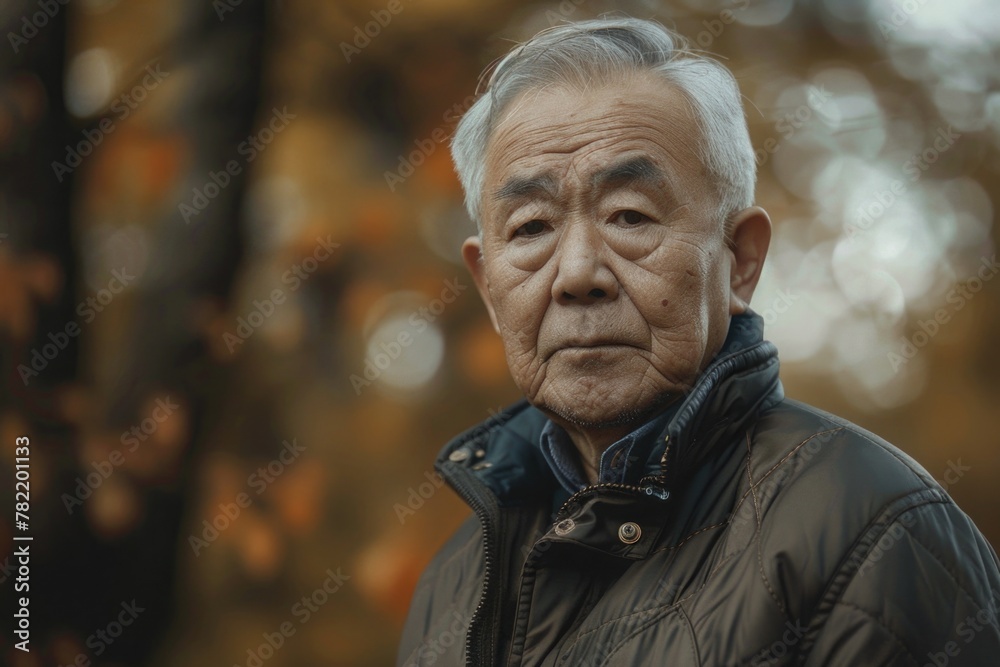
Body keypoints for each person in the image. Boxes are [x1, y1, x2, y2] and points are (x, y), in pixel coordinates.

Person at [397, 17, 1000, 666]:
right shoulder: (454, 582)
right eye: (530, 226)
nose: (576, 273)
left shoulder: (870, 530)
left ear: (740, 258)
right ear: (488, 286)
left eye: (629, 215)